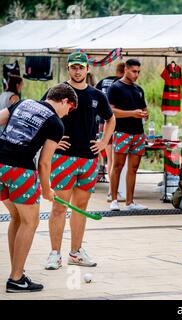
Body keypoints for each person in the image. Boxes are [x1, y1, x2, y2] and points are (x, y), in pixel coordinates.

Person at [0, 84, 77, 292]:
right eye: (69, 108)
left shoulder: (23, 103)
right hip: (20, 170)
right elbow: (44, 162)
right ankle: (16, 279)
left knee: (17, 218)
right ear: (64, 101)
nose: (67, 113)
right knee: (30, 222)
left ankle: (17, 271)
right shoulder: (56, 123)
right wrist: (46, 189)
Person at [44, 52, 115, 270]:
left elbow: (111, 119)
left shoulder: (96, 95)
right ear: (68, 69)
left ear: (87, 69)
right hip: (63, 158)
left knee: (80, 207)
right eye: (73, 67)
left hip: (89, 159)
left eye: (81, 67)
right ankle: (54, 253)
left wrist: (103, 143)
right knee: (59, 207)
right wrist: (53, 144)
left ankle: (75, 252)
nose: (77, 71)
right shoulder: (57, 91)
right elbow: (42, 115)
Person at [108, 59, 148, 211]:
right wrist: (132, 113)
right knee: (117, 166)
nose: (136, 74)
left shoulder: (139, 89)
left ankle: (130, 202)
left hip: (138, 133)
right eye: (133, 71)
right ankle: (114, 200)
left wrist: (145, 114)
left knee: (134, 168)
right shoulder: (116, 87)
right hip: (122, 132)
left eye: (138, 72)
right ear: (125, 69)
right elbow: (111, 111)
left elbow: (143, 108)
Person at [96, 62, 126, 201]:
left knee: (109, 158)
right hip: (117, 124)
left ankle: (110, 191)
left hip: (103, 122)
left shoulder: (103, 81)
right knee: (116, 160)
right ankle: (114, 191)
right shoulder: (122, 84)